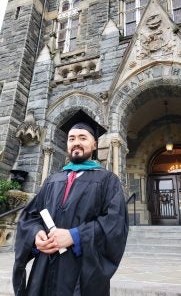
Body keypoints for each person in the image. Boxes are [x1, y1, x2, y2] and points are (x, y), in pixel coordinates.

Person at [13, 111, 128, 296]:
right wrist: (36, 235)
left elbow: (114, 224)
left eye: (83, 137)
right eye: (71, 138)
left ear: (94, 144)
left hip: (81, 271)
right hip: (43, 267)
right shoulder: (52, 180)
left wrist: (75, 236)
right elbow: (30, 216)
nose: (76, 142)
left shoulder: (108, 180)